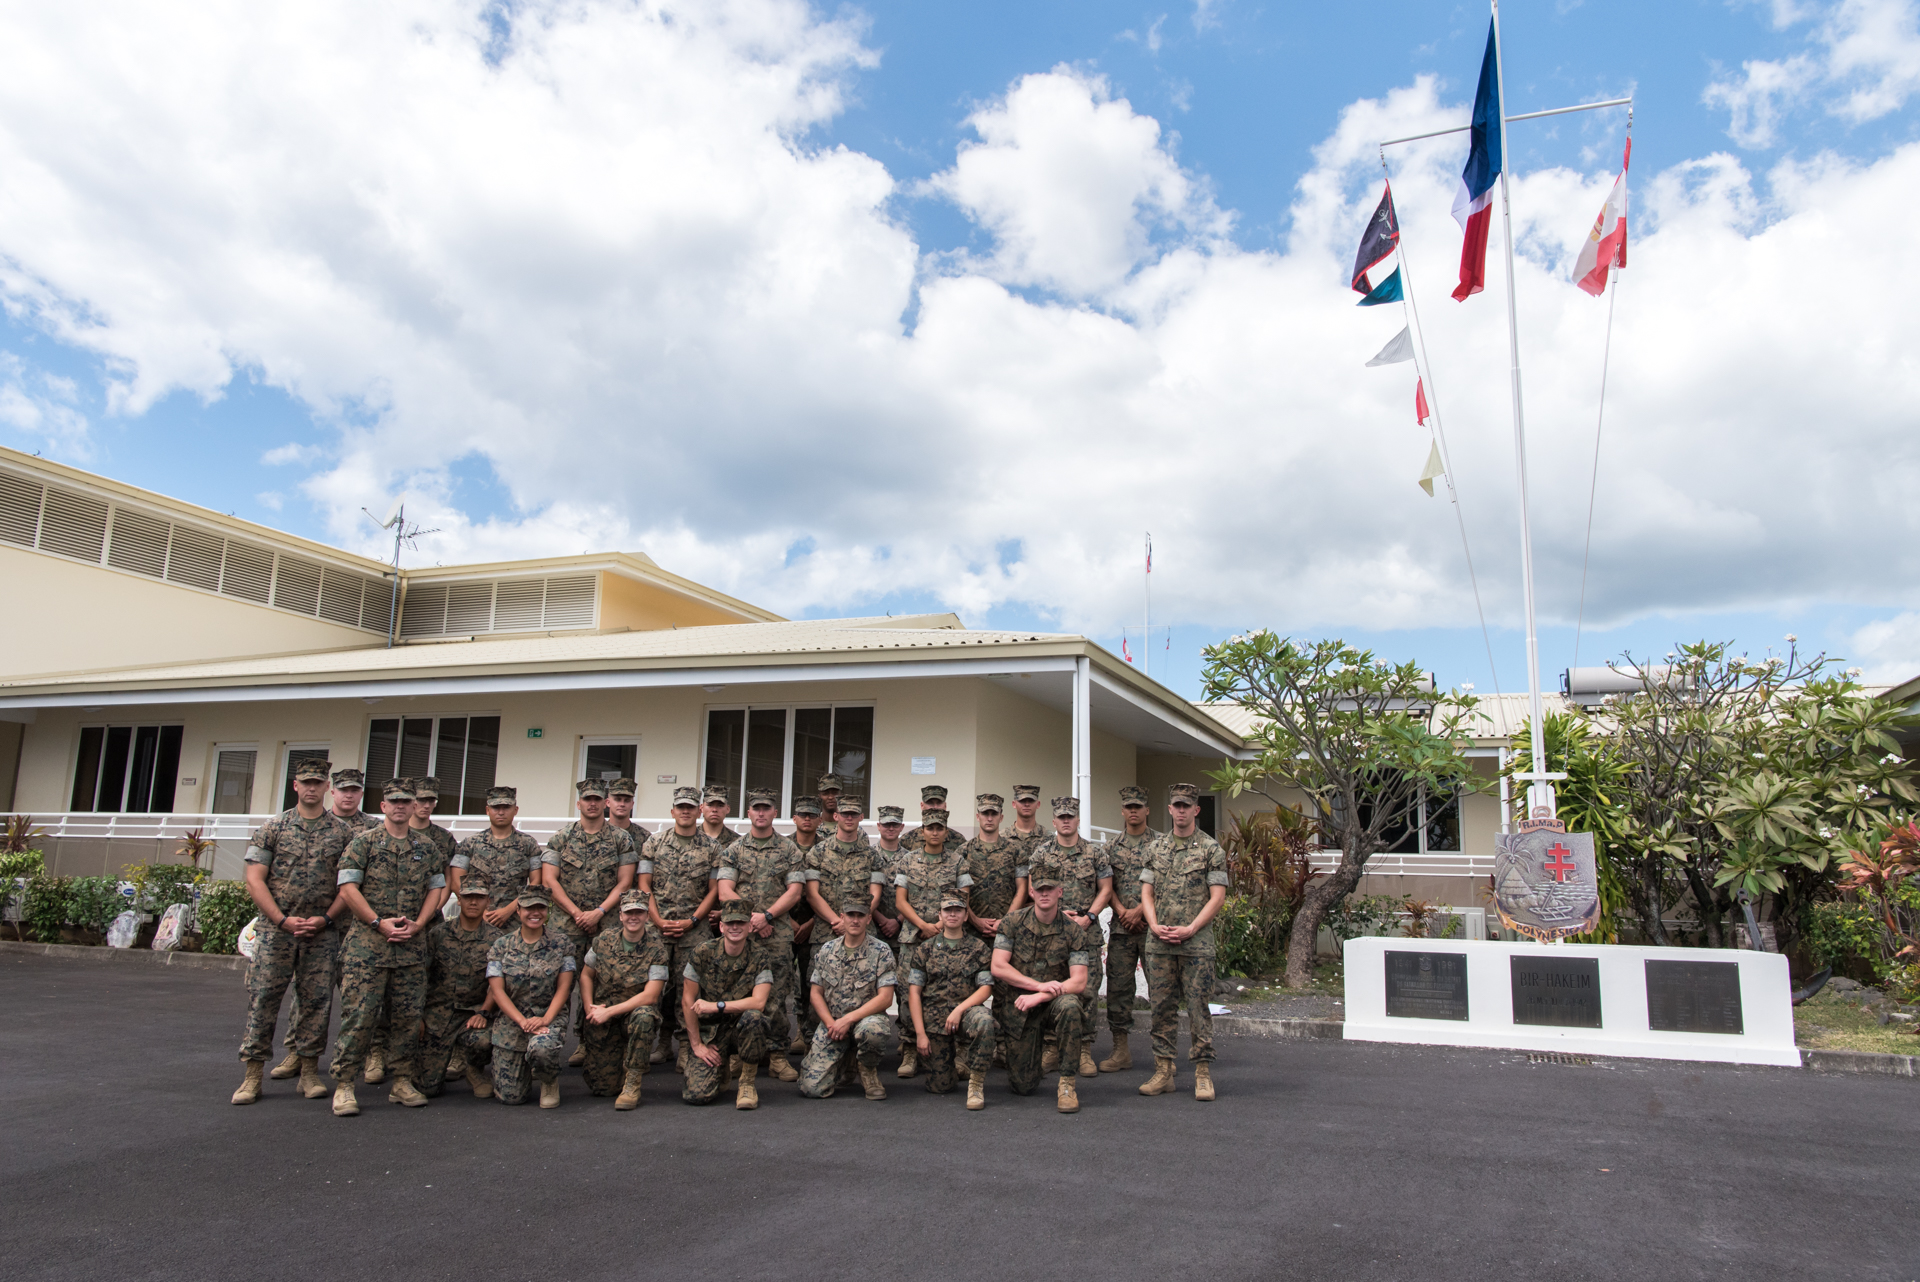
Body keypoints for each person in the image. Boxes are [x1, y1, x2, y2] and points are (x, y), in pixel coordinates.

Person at [233, 757, 353, 1105]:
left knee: (316, 1002)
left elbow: (349, 885)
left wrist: (326, 919)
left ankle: (309, 1072)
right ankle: (252, 1076)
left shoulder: (342, 833)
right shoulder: (273, 828)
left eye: (318, 782)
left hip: (321, 933)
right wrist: (281, 920)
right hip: (277, 932)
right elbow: (255, 880)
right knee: (263, 1000)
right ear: (296, 786)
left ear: (327, 787)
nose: (312, 788)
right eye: (306, 782)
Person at [330, 779, 448, 1116]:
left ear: (414, 807)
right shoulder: (363, 843)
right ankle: (344, 1085)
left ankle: (402, 1081)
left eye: (406, 802)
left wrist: (421, 923)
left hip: (411, 948)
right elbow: (348, 889)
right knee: (360, 1016)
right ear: (383, 806)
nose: (400, 806)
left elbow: (436, 889)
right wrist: (376, 923)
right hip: (368, 949)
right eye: (393, 801)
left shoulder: (427, 847)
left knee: (408, 1018)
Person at [1138, 782, 1230, 1102]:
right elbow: (1146, 892)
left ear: (1196, 810)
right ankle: (1163, 1072)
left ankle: (1202, 1074)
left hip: (1196, 945)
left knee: (1198, 1009)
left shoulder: (1210, 849)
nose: (1180, 810)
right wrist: (1153, 924)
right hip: (1160, 943)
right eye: (1176, 805)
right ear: (1169, 809)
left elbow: (1217, 898)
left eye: (1186, 806)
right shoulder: (1155, 849)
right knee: (1161, 1008)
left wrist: (1191, 928)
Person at [714, 788, 808, 1083]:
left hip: (776, 935)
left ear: (775, 813)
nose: (761, 813)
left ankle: (777, 1055)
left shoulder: (789, 850)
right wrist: (753, 919)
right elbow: (724, 890)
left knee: (777, 995)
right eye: (756, 808)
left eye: (766, 808)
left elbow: (794, 892)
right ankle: (737, 1055)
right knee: (738, 992)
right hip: (742, 934)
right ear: (749, 812)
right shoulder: (733, 850)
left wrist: (766, 916)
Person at [544, 779, 639, 1065]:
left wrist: (598, 912)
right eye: (588, 799)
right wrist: (577, 913)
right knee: (559, 986)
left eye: (598, 799)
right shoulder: (560, 838)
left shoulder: (621, 839)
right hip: (566, 927)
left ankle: (590, 1043)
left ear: (605, 803)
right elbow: (549, 881)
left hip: (606, 924)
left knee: (603, 984)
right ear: (579, 803)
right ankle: (548, 1046)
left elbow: (625, 882)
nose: (593, 804)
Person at [991, 873, 1096, 1113]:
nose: (1044, 893)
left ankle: (1067, 1084)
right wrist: (1037, 986)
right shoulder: (1012, 922)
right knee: (1023, 1086)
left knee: (1070, 1006)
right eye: (1039, 889)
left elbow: (1079, 981)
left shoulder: (1074, 931)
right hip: (1021, 1006)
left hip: (1053, 1002)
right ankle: (1032, 1060)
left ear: (1060, 892)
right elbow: (998, 966)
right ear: (1031, 892)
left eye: (1050, 889)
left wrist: (1042, 995)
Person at [1025, 796, 1113, 1077]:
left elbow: (1106, 889)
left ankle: (1083, 1049)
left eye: (1070, 817)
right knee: (1051, 987)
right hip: (1051, 932)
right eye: (1061, 817)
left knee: (1087, 991)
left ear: (1077, 820)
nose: (1066, 821)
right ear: (1053, 821)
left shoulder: (1095, 853)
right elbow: (1032, 890)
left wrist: (1089, 917)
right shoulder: (1041, 854)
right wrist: (1056, 915)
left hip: (1086, 933)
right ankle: (1052, 1047)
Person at [641, 785, 720, 1071]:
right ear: (672, 811)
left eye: (690, 807)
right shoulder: (654, 843)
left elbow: (714, 890)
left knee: (690, 990)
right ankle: (660, 1043)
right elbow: (644, 885)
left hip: (694, 931)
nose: (685, 811)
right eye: (681, 807)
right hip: (658, 929)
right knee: (656, 988)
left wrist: (693, 921)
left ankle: (687, 1044)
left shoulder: (712, 847)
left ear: (699, 811)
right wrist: (657, 920)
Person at [890, 809, 971, 1078]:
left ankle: (954, 1049)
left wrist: (940, 926)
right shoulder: (907, 860)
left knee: (948, 991)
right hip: (913, 938)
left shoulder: (958, 862)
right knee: (907, 992)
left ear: (946, 832)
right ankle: (910, 1048)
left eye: (939, 828)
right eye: (930, 828)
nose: (934, 832)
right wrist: (922, 926)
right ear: (922, 831)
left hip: (947, 937)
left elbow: (963, 899)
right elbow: (900, 900)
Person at [485, 886, 576, 1108]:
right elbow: (497, 991)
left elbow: (564, 988)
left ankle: (548, 1079)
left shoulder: (562, 944)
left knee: (542, 1049)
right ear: (518, 910)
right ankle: (522, 1067)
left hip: (548, 1017)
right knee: (511, 1097)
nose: (535, 913)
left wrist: (545, 1019)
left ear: (547, 910)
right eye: (529, 908)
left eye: (541, 908)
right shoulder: (501, 946)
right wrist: (521, 1021)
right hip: (512, 1022)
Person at [580, 888, 671, 1109]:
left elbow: (651, 995)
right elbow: (586, 975)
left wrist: (609, 1012)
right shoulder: (603, 940)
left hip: (632, 1015)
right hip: (603, 1018)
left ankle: (633, 1081)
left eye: (639, 912)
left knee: (645, 1016)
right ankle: (620, 1058)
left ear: (647, 916)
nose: (634, 917)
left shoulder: (657, 949)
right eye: (629, 912)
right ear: (620, 915)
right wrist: (590, 1008)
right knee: (603, 1088)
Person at [798, 902, 897, 1101]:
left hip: (866, 1019)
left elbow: (886, 998)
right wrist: (830, 1024)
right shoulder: (827, 950)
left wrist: (848, 1019)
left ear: (869, 919)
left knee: (873, 1031)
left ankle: (867, 1070)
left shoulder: (881, 950)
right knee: (811, 1089)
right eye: (851, 915)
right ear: (842, 917)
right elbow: (816, 993)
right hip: (834, 1022)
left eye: (860, 916)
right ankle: (847, 1061)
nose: (855, 920)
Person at [681, 900, 775, 1109]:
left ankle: (747, 1083)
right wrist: (697, 1045)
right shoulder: (702, 952)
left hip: (741, 1028)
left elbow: (759, 1002)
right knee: (697, 1095)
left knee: (755, 1018)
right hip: (711, 1033)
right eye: (730, 923)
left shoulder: (760, 955)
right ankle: (720, 1069)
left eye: (740, 923)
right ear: (721, 927)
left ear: (750, 927)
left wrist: (717, 1006)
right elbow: (687, 1000)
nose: (735, 927)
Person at [908, 896, 995, 1109]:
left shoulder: (978, 948)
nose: (952, 914)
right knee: (940, 1086)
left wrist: (959, 1009)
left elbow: (985, 988)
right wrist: (920, 1034)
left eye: (958, 910)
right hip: (935, 1020)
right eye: (948, 910)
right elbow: (914, 993)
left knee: (985, 1021)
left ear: (966, 916)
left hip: (966, 1014)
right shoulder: (925, 949)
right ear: (940, 915)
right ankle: (957, 1067)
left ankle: (976, 1083)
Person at [419, 878, 499, 1099]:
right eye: (468, 897)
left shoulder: (496, 939)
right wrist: (419, 1016)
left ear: (488, 902)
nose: (473, 902)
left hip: (473, 1013)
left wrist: (484, 1012)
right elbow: (422, 976)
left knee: (483, 1041)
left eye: (479, 897)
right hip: (438, 1015)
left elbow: (497, 984)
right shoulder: (438, 934)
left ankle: (473, 1069)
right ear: (459, 900)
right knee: (427, 1088)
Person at [959, 793, 1021, 1066]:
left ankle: (1004, 1048)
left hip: (1004, 933)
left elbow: (1022, 890)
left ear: (1001, 817)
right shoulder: (964, 851)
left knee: (1006, 992)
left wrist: (1005, 922)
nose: (989, 817)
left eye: (994, 813)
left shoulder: (1014, 851)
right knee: (968, 988)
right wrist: (974, 920)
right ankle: (966, 1049)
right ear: (978, 816)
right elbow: (960, 892)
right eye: (985, 813)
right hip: (972, 933)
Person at [1099, 785, 1158, 1073]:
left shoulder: (1161, 845)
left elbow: (1166, 884)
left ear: (1147, 810)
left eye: (1138, 806)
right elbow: (1105, 886)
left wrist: (1140, 911)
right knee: (1119, 990)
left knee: (1160, 990)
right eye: (1129, 807)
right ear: (1122, 811)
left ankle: (1163, 1053)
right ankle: (1120, 1050)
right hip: (1121, 929)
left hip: (1152, 929)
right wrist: (1122, 911)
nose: (1133, 811)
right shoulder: (1110, 848)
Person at [450, 786, 538, 927]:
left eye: (506, 807)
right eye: (496, 807)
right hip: (476, 923)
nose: (501, 812)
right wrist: (481, 912)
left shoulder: (529, 845)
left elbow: (536, 881)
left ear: (515, 810)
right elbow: (456, 882)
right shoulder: (470, 844)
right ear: (487, 810)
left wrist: (508, 910)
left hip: (515, 924)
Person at [786, 794, 826, 1052]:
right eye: (803, 814)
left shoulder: (826, 849)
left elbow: (829, 891)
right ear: (794, 818)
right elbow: (774, 888)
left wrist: (812, 921)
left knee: (810, 981)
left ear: (820, 819)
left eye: (812, 815)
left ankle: (805, 1032)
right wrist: (787, 920)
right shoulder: (783, 847)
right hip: (784, 925)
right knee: (782, 982)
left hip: (816, 925)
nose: (807, 819)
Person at [868, 805, 906, 947]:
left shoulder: (911, 859)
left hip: (903, 931)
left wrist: (898, 921)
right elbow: (861, 892)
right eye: (886, 824)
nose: (890, 828)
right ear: (878, 826)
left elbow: (916, 896)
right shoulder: (867, 855)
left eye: (895, 825)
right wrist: (881, 920)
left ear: (901, 827)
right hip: (872, 929)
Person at [607, 777, 653, 850]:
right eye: (618, 799)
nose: (622, 804)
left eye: (627, 800)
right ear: (608, 802)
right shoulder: (598, 833)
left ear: (632, 804)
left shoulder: (644, 836)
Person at [901, 784, 949, 850]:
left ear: (945, 806)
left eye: (939, 803)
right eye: (930, 803)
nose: (935, 807)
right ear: (922, 805)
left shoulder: (958, 839)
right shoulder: (906, 840)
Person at [699, 783, 739, 853]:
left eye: (720, 806)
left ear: (728, 809)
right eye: (710, 805)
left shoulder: (737, 842)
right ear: (701, 808)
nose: (714, 810)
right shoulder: (690, 838)